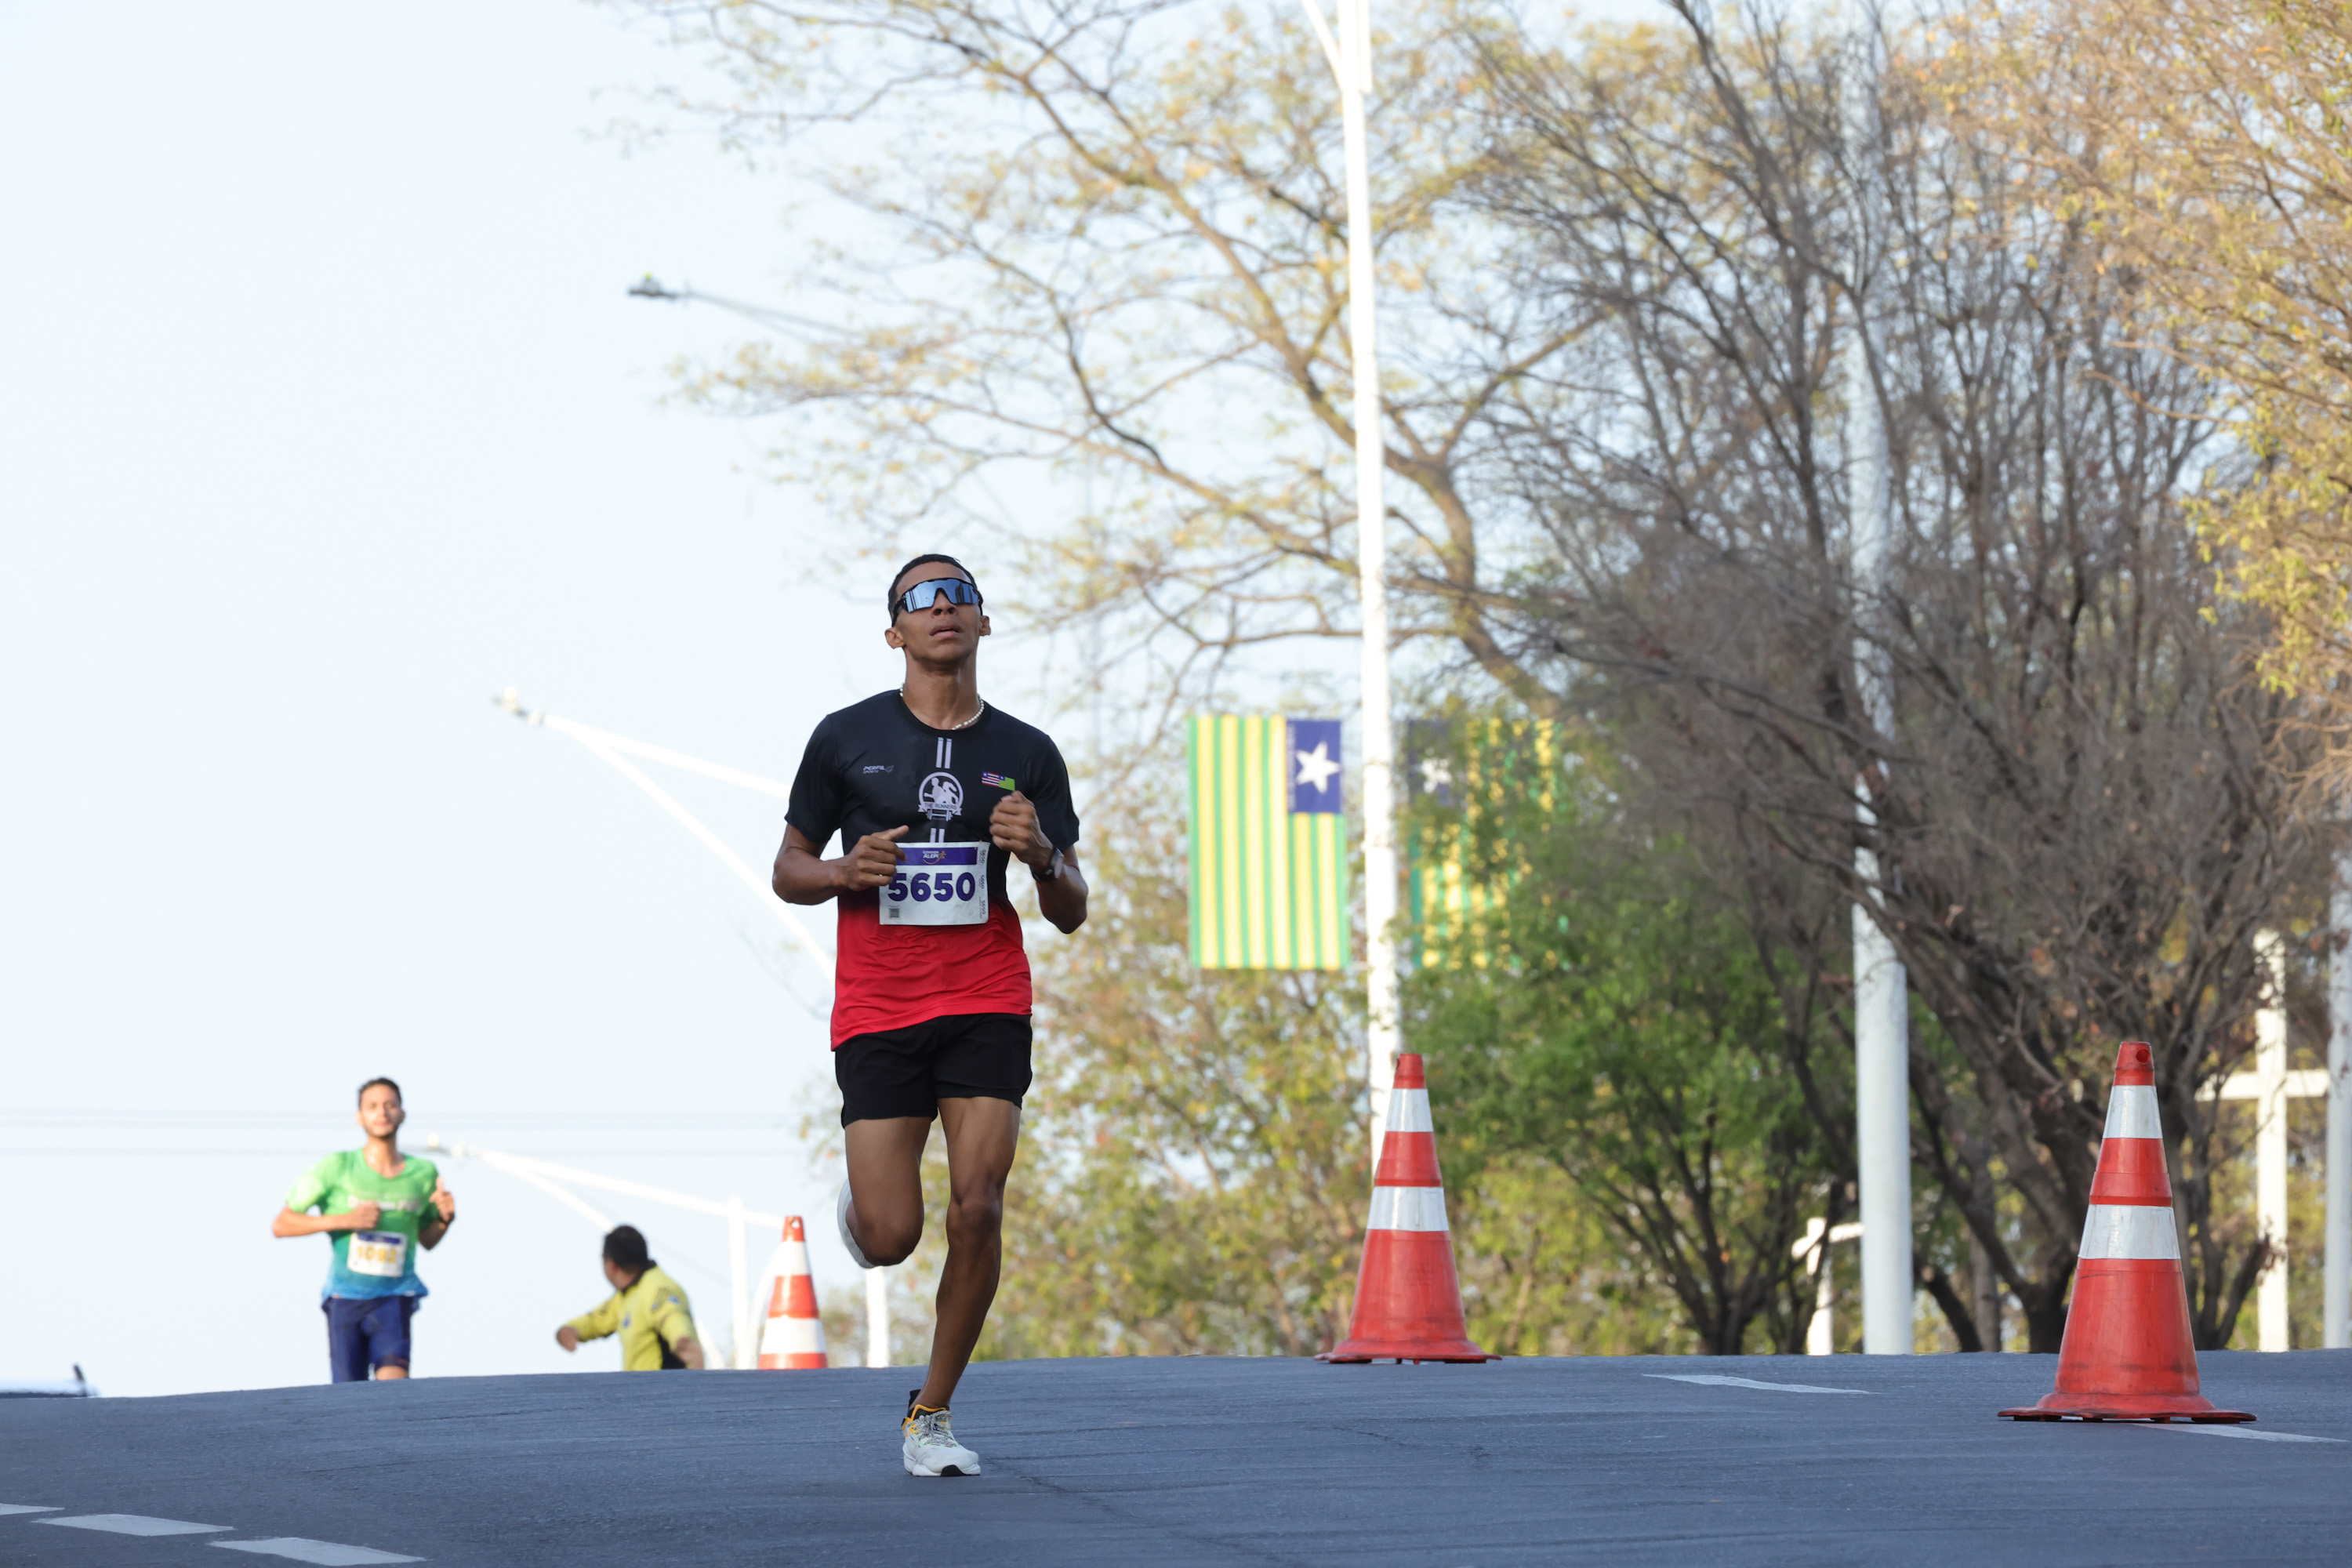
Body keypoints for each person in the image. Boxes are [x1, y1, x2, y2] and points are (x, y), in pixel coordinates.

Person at [774, 553, 1087, 1478]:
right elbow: (788, 864)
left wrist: (1040, 856)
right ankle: (865, 1208)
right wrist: (839, 870)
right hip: (879, 1003)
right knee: (891, 1235)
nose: (943, 606)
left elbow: (1071, 906)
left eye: (960, 595)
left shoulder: (1028, 752)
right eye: (921, 597)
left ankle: (933, 1413)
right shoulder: (845, 738)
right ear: (895, 632)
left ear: (985, 624)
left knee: (979, 1206)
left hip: (986, 992)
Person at [273, 1076, 456, 1383]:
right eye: (372, 1106)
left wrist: (444, 1220)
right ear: (360, 1117)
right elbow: (282, 1224)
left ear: (402, 1114)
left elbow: (427, 1240)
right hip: (346, 1300)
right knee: (350, 1401)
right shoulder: (337, 1167)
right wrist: (345, 1220)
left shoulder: (423, 1174)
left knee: (395, 1390)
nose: (382, 1112)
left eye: (390, 1105)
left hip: (395, 1297)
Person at [554, 1225, 706, 1370]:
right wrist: (570, 1329)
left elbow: (672, 1316)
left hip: (666, 1392)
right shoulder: (626, 1296)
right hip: (641, 1393)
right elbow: (598, 1319)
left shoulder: (658, 1288)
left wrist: (682, 1340)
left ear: (611, 1265)